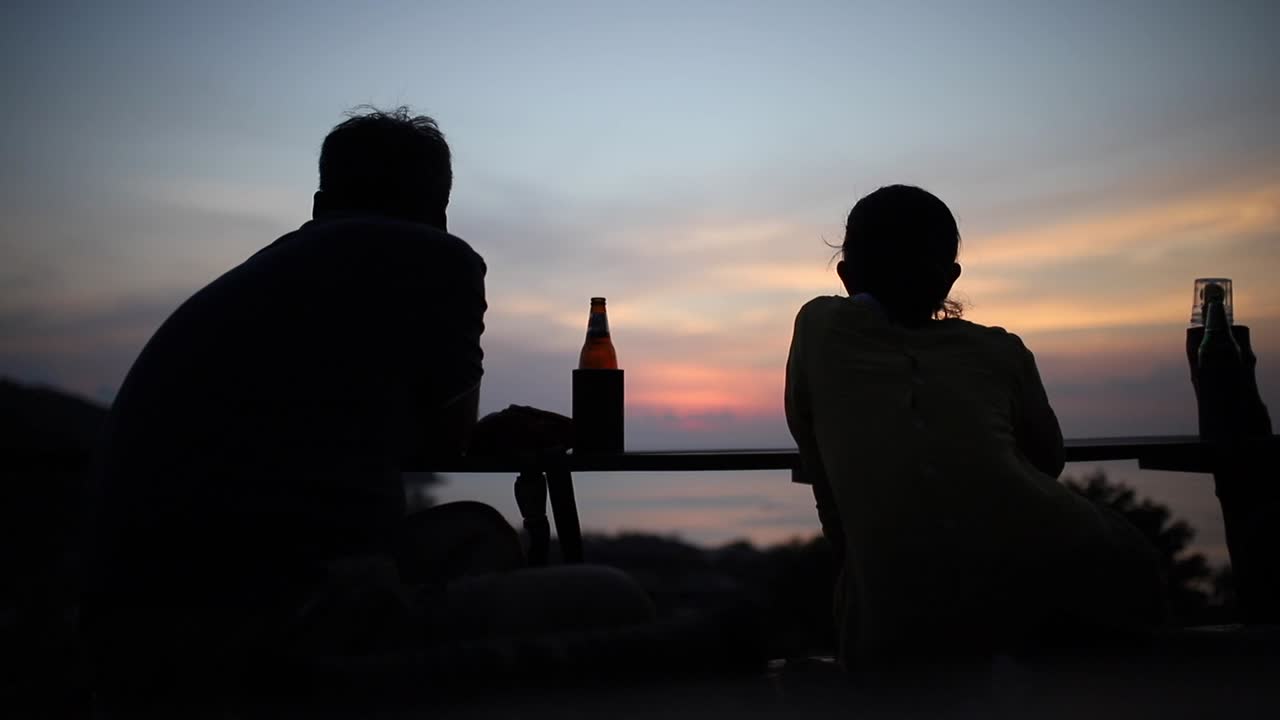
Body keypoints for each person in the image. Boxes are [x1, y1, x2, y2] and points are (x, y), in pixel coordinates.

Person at [81, 107, 661, 700]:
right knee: (614, 597)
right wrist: (490, 432)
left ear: (318, 202)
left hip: (124, 624)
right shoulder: (440, 258)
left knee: (477, 532)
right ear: (440, 211)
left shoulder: (262, 274)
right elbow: (445, 440)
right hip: (271, 620)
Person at [784, 185, 1165, 669]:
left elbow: (818, 455)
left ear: (844, 274)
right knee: (1133, 566)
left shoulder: (819, 329)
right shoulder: (1002, 351)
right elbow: (1047, 460)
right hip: (1067, 565)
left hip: (899, 616)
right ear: (949, 278)